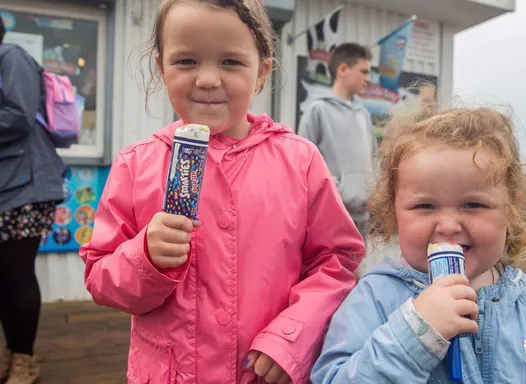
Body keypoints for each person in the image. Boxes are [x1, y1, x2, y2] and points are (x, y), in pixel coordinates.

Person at [79, 1, 364, 383]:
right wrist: (144, 256)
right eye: (187, 62)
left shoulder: (301, 162)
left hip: (263, 372)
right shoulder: (137, 164)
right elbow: (101, 277)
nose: (209, 79)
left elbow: (336, 262)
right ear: (161, 68)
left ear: (262, 72)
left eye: (231, 62)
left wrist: (294, 336)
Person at [311, 106, 526, 383]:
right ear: (394, 213)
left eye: (473, 204)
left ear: (511, 210)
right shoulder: (374, 298)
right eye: (425, 206)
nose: (448, 225)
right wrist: (416, 333)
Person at [0, 17, 65, 384]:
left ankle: (24, 359)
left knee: (16, 273)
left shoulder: (10, 56)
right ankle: (11, 353)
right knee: (3, 276)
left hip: (27, 183)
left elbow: (20, 116)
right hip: (7, 182)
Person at [297, 43, 376, 242]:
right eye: (364, 71)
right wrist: (338, 191)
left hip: (362, 215)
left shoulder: (363, 114)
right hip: (331, 217)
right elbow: (302, 164)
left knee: (358, 272)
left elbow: (373, 158)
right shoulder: (317, 110)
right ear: (343, 70)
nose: (368, 78)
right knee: (336, 271)